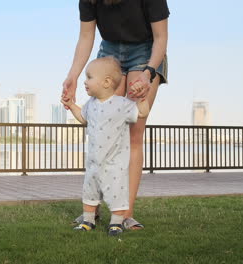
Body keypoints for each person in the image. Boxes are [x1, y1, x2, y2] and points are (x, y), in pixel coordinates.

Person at [62, 0, 170, 230]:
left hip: (146, 50)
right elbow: (85, 37)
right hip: (110, 50)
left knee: (133, 134)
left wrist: (148, 74)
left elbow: (161, 37)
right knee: (104, 132)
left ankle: (125, 215)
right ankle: (92, 211)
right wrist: (72, 75)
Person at [61, 56, 150, 236]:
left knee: (117, 193)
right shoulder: (90, 105)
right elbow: (83, 118)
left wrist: (142, 98)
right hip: (94, 162)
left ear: (107, 82)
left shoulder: (122, 104)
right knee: (89, 191)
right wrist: (71, 105)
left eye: (89, 77)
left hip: (114, 164)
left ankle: (116, 223)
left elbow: (142, 113)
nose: (85, 82)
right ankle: (88, 220)